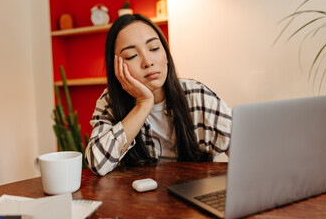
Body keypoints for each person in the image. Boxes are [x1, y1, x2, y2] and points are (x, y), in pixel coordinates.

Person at [85, 14, 232, 176]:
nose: (147, 62)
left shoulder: (197, 95)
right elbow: (97, 163)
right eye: (131, 56)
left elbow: (247, 152)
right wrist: (143, 104)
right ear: (117, 68)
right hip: (137, 200)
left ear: (166, 55)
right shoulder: (110, 102)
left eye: (154, 48)